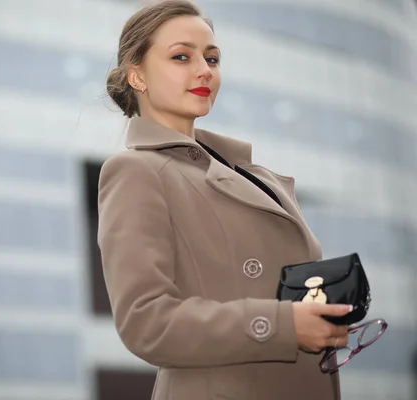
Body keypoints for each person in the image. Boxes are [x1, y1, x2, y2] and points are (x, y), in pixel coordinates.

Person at [97, 1, 353, 399]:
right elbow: (145, 322)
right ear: (137, 75)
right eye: (181, 56)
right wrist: (284, 325)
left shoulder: (248, 173)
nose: (204, 70)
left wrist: (318, 316)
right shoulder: (136, 172)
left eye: (212, 58)